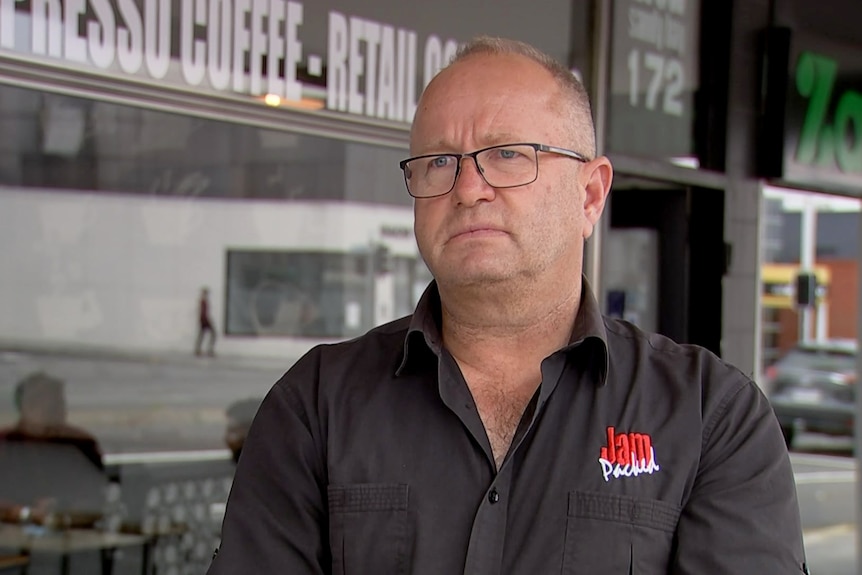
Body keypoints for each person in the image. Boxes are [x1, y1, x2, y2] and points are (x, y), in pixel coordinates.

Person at [208, 36, 807, 574]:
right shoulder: (316, 405)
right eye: (438, 161)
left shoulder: (711, 419)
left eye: (509, 155)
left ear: (591, 194)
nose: (468, 188)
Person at [0, 371, 106, 527]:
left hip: (72, 537)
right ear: (25, 407)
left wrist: (63, 511)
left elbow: (97, 500)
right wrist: (26, 513)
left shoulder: (81, 446)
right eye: (47, 404)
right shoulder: (5, 445)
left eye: (59, 403)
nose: (56, 410)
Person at [196, 287, 217, 356]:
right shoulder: (203, 302)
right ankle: (209, 349)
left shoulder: (203, 301)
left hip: (204, 320)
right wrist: (205, 320)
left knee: (202, 335)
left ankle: (199, 349)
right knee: (213, 334)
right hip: (204, 320)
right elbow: (203, 312)